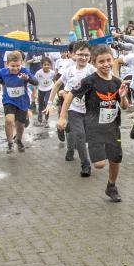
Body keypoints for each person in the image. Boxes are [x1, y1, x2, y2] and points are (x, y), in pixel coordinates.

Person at [57, 45, 130, 202]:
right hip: (95, 128)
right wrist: (63, 116)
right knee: (99, 164)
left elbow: (124, 106)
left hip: (112, 127)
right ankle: (94, 149)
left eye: (108, 60)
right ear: (94, 63)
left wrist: (123, 97)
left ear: (113, 60)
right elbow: (70, 95)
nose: (106, 64)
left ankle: (112, 186)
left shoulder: (117, 82)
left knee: (115, 160)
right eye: (101, 61)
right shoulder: (89, 81)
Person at [48, 41, 95, 173]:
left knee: (84, 136)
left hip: (89, 109)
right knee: (79, 134)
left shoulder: (93, 70)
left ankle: (70, 146)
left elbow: (108, 79)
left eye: (86, 55)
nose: (83, 58)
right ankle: (85, 165)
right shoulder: (69, 71)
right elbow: (57, 85)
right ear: (73, 54)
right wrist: (49, 103)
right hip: (73, 108)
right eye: (80, 54)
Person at [0, 50, 38, 153]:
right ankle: (10, 143)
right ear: (7, 64)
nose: (15, 68)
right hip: (9, 100)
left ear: (21, 64)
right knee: (9, 120)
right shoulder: (3, 72)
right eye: (13, 66)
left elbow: (36, 82)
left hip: (22, 101)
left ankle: (18, 140)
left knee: (20, 125)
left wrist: (27, 78)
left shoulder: (24, 71)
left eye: (18, 66)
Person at [34, 57, 57, 126]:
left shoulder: (52, 73)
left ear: (50, 65)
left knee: (48, 104)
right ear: (41, 65)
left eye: (48, 64)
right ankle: (40, 118)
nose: (46, 66)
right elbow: (34, 83)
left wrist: (54, 90)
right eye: (45, 65)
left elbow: (55, 81)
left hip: (49, 89)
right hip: (41, 90)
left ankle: (46, 120)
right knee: (40, 105)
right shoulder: (38, 73)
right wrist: (35, 92)